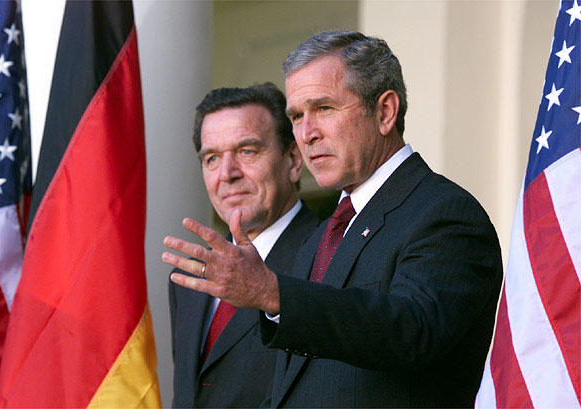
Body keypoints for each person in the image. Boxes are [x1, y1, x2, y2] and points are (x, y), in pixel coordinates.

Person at [163, 31, 503, 408]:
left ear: (385, 112)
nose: (307, 133)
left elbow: (411, 331)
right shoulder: (326, 233)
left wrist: (272, 293)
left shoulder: (444, 214)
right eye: (296, 116)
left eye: (323, 108)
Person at [167, 83, 319, 408]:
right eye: (211, 158)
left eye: (247, 151)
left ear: (294, 160)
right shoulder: (189, 279)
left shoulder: (331, 256)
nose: (227, 174)